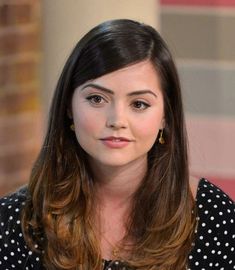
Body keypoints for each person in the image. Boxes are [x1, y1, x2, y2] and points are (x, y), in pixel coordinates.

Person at [0, 19, 234, 270]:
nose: (117, 120)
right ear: (69, 106)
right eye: (97, 98)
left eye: (139, 104)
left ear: (165, 116)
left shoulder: (213, 215)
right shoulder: (14, 220)